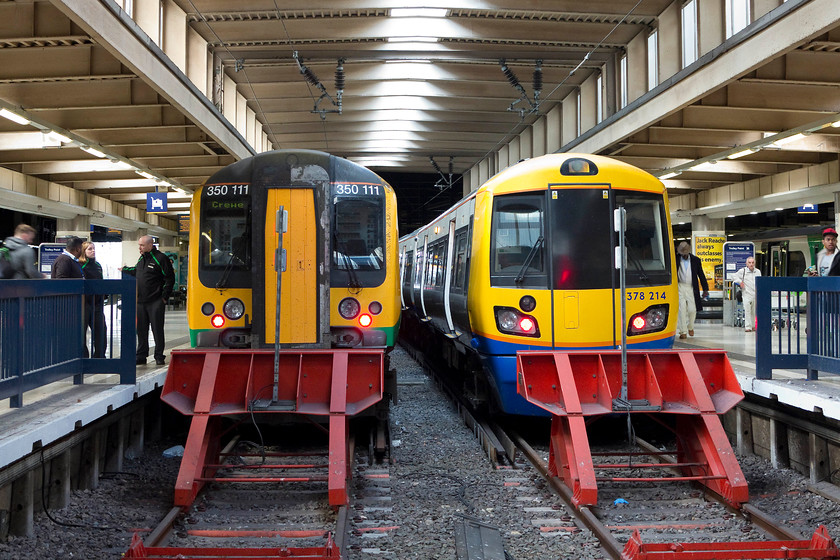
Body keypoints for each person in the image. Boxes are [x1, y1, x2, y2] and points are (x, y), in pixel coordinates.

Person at [122, 235, 175, 366]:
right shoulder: (142, 258)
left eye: (142, 245)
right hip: (141, 302)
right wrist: (125, 270)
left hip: (155, 301)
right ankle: (141, 355)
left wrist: (164, 297)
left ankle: (159, 356)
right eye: (139, 245)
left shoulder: (161, 259)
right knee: (141, 330)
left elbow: (169, 278)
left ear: (150, 245)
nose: (139, 248)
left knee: (157, 329)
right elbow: (137, 271)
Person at [676, 241, 709, 340]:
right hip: (679, 286)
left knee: (692, 310)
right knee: (681, 310)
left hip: (691, 287)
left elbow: (701, 275)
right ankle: (683, 331)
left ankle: (690, 326)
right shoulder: (675, 259)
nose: (683, 255)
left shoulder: (695, 260)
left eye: (685, 253)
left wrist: (705, 289)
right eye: (682, 253)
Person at [80, 241, 107, 358]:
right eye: (90, 249)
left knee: (101, 330)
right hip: (85, 304)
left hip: (97, 304)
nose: (93, 251)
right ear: (84, 251)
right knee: (82, 332)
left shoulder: (98, 265)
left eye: (94, 249)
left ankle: (99, 356)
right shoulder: (81, 266)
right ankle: (84, 356)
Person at [733, 256, 761, 333]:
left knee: (754, 311)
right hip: (746, 294)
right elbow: (734, 276)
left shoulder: (758, 272)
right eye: (749, 262)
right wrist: (740, 282)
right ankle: (747, 326)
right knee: (747, 310)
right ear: (746, 263)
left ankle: (753, 326)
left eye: (752, 262)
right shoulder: (743, 271)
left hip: (755, 294)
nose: (751, 264)